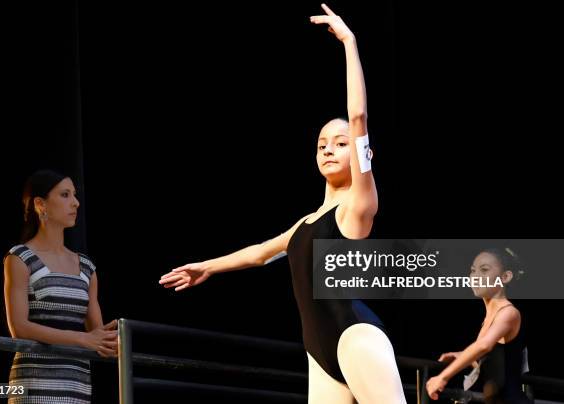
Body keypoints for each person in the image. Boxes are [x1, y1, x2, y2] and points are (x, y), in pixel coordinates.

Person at [160, 5, 406, 403]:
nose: (329, 149)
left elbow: (357, 116)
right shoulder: (306, 222)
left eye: (341, 144)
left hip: (356, 337)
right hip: (319, 352)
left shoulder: (358, 205)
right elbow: (259, 254)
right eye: (322, 144)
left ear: (363, 155)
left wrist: (349, 42)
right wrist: (205, 266)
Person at [4, 170, 118, 404]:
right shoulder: (20, 258)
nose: (75, 202)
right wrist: (83, 339)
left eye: (74, 195)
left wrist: (113, 340)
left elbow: (97, 337)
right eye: (65, 195)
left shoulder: (86, 267)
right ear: (40, 204)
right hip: (34, 385)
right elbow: (19, 328)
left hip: (77, 386)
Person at [426, 248, 532, 403]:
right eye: (473, 270)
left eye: (484, 270)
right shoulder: (489, 317)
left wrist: (442, 377)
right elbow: (492, 360)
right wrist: (463, 356)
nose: (475, 276)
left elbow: (484, 346)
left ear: (505, 277)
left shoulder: (508, 313)